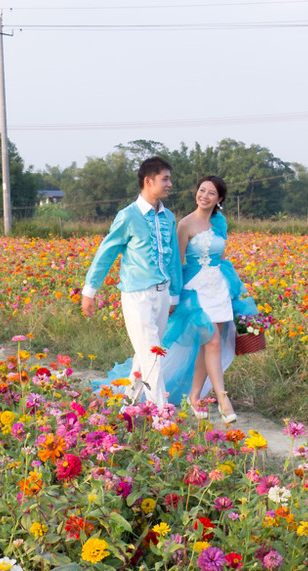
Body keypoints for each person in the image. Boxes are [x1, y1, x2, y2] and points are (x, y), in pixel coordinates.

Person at [81, 156, 182, 408]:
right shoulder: (127, 216)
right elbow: (106, 253)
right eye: (165, 179)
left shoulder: (168, 217)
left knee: (146, 353)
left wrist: (174, 295)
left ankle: (127, 405)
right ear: (148, 181)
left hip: (162, 293)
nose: (170, 184)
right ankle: (160, 415)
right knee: (153, 355)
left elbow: (173, 259)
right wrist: (89, 291)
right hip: (137, 296)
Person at [159, 175, 258, 423]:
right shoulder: (185, 224)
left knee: (210, 345)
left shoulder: (219, 223)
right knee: (212, 342)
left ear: (220, 199)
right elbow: (176, 262)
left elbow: (220, 254)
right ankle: (223, 399)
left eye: (211, 193)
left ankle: (194, 396)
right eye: (201, 190)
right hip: (196, 289)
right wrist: (174, 297)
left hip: (219, 287)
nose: (204, 196)